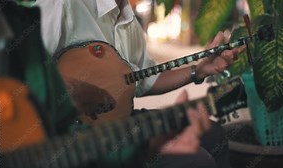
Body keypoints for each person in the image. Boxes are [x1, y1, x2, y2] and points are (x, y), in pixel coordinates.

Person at [35, 0, 245, 168]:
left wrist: (197, 70)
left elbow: (144, 81)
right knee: (195, 160)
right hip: (71, 137)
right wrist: (72, 90)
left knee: (214, 134)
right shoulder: (62, 4)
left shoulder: (128, 20)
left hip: (120, 122)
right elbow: (23, 72)